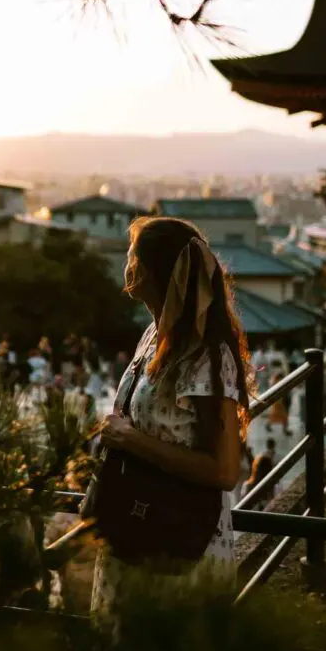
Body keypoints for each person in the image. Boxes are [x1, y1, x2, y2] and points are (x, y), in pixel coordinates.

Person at [92, 215, 252, 612]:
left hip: (178, 544)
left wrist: (129, 439)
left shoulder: (204, 355)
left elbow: (224, 471)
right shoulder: (153, 335)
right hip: (134, 528)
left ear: (150, 271)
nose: (127, 264)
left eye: (132, 256)